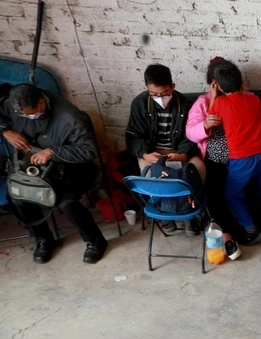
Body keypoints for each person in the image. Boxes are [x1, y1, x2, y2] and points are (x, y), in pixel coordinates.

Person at [0, 84, 108, 264]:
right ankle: (44, 240)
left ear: (41, 102)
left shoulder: (71, 118)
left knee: (65, 202)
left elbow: (89, 151)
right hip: (34, 165)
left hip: (72, 168)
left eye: (30, 113)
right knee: (17, 196)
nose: (28, 118)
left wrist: (53, 152)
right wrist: (6, 131)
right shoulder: (14, 104)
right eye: (23, 115)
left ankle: (95, 241)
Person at [125, 63, 205, 235]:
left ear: (172, 86)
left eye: (164, 93)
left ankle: (188, 213)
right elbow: (133, 136)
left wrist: (182, 155)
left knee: (197, 171)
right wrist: (145, 154)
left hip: (178, 150)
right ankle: (162, 213)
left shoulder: (186, 105)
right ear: (146, 88)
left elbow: (191, 135)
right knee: (149, 176)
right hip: (151, 151)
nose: (160, 98)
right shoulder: (139, 104)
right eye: (154, 94)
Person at [208, 61, 261, 246]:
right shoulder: (254, 99)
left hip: (241, 159)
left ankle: (250, 229)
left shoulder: (221, 103)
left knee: (232, 194)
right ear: (243, 83)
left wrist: (214, 96)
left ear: (220, 86)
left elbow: (211, 119)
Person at [186, 57, 241, 260]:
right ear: (213, 84)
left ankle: (247, 229)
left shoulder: (245, 98)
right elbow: (191, 133)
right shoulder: (202, 103)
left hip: (242, 156)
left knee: (244, 184)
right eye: (218, 85)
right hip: (214, 159)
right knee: (214, 190)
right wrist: (206, 124)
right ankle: (227, 235)